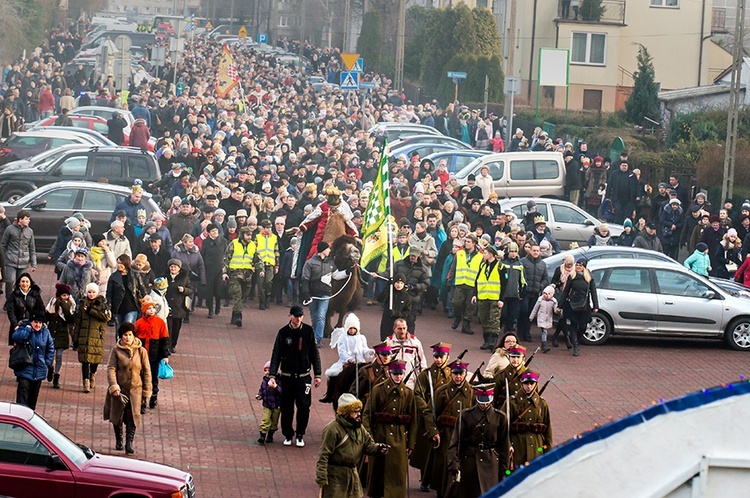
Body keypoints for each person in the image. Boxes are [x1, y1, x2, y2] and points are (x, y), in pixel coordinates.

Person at [268, 305, 322, 448]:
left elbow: (314, 354)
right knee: (286, 407)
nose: (298, 319)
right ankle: (288, 434)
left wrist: (317, 374)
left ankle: (300, 434)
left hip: (304, 378)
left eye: (300, 316)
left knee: (304, 406)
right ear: (290, 316)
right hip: (287, 377)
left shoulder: (308, 331)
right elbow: (276, 355)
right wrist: (272, 375)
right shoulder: (283, 333)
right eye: (295, 316)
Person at [362, 360, 418, 498]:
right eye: (395, 373)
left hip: (399, 438)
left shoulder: (407, 393)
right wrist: (369, 438)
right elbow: (366, 416)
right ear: (389, 373)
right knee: (378, 473)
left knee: (397, 473)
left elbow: (413, 420)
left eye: (400, 373)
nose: (398, 377)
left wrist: (410, 443)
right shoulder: (378, 390)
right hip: (380, 435)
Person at [316, 393, 389, 497]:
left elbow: (368, 445)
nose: (359, 414)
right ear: (345, 413)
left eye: (359, 411)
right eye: (355, 412)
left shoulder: (359, 428)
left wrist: (378, 448)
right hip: (335, 477)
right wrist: (321, 478)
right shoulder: (332, 430)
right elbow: (323, 455)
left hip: (352, 475)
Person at [445, 382, 511, 498]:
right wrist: (454, 465)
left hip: (491, 463)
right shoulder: (465, 416)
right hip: (469, 462)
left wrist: (504, 471)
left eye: (487, 401)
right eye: (481, 401)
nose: (484, 404)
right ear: (476, 398)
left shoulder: (500, 417)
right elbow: (455, 443)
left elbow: (504, 446)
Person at [422, 358, 474, 497]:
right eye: (455, 373)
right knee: (443, 466)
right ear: (451, 373)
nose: (458, 376)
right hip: (445, 434)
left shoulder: (472, 393)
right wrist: (433, 431)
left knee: (461, 465)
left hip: (464, 435)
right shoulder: (442, 391)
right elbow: (428, 412)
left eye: (461, 373)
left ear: (465, 374)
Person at [104, 322, 152, 454]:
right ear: (121, 336)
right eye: (125, 335)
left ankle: (129, 443)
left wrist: (146, 391)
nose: (127, 337)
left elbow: (147, 372)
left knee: (133, 417)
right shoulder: (116, 350)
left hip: (136, 391)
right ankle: (119, 439)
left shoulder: (141, 351)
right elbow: (111, 368)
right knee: (117, 416)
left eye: (130, 335)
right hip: (119, 391)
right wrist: (114, 386)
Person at [410, 342, 453, 489]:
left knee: (443, 450)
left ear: (448, 357)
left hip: (443, 415)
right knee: (426, 449)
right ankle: (424, 479)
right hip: (427, 417)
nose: (438, 360)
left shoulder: (451, 374)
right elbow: (417, 393)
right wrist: (426, 409)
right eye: (436, 356)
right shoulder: (425, 374)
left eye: (441, 356)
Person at [321, 313, 372, 404]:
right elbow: (342, 351)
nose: (352, 331)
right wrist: (349, 359)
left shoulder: (361, 338)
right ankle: (330, 394)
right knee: (332, 374)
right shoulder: (342, 338)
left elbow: (364, 349)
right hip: (346, 362)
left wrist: (369, 352)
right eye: (350, 328)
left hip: (360, 362)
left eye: (354, 328)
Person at [72, 283, 111, 393]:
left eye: (93, 292)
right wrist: (75, 338)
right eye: (89, 292)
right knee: (85, 360)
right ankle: (86, 382)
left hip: (97, 337)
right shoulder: (82, 304)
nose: (91, 294)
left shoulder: (102, 304)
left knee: (95, 360)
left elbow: (106, 317)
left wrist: (91, 311)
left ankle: (92, 374)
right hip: (84, 336)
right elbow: (78, 322)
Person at [508, 371, 553, 468]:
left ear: (536, 384)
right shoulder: (512, 403)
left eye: (531, 383)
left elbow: (547, 429)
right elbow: (504, 427)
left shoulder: (542, 404)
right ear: (521, 383)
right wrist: (508, 445)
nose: (529, 386)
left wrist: (548, 450)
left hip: (536, 448)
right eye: (526, 383)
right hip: (517, 446)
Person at [11, 311, 54, 410]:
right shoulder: (24, 329)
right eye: (35, 322)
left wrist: (47, 362)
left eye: (40, 322)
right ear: (31, 321)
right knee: (22, 399)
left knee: (32, 401)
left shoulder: (46, 333)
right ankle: (20, 418)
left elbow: (50, 347)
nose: (38, 325)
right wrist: (27, 330)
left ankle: (28, 421)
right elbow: (16, 337)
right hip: (25, 369)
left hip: (39, 371)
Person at [134, 301, 170, 412]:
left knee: (153, 377)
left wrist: (165, 355)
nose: (151, 310)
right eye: (148, 308)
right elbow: (134, 340)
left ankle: (154, 393)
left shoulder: (160, 323)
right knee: (141, 378)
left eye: (152, 308)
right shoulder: (139, 323)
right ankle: (142, 401)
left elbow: (164, 340)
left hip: (155, 356)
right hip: (141, 356)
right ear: (144, 310)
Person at [558, 258, 599, 357]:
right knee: (573, 325)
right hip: (572, 303)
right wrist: (560, 305)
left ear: (584, 267)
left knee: (583, 326)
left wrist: (596, 305)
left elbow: (593, 292)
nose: (578, 267)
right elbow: (566, 291)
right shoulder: (572, 276)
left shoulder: (589, 278)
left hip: (584, 304)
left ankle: (576, 339)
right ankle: (575, 345)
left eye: (580, 265)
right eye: (577, 265)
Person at [300, 241, 334, 348]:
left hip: (325, 294)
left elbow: (337, 275)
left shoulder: (331, 263)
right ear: (323, 250)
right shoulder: (309, 263)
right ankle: (314, 335)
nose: (330, 250)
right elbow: (305, 279)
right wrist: (306, 293)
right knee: (314, 317)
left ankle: (318, 339)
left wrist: (348, 271)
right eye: (328, 248)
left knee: (320, 316)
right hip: (312, 294)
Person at [472, 244, 504, 350]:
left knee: (494, 320)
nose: (483, 255)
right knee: (484, 319)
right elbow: (477, 281)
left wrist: (501, 299)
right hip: (483, 297)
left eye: (485, 253)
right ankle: (486, 340)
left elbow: (504, 284)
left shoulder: (500, 267)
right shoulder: (482, 266)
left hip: (495, 298)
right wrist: (475, 295)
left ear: (490, 254)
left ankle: (493, 342)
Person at [224, 226, 257, 326]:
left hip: (247, 274)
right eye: (247, 235)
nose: (249, 237)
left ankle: (234, 314)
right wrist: (224, 272)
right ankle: (238, 317)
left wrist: (260, 269)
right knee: (237, 294)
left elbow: (257, 259)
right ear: (242, 235)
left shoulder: (253, 245)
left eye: (250, 235)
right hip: (235, 273)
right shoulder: (233, 244)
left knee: (243, 295)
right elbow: (226, 258)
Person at [107, 254, 147, 338]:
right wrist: (108, 307)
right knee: (119, 330)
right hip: (118, 307)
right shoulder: (113, 277)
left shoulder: (135, 275)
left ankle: (128, 347)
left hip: (132, 306)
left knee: (128, 328)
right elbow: (109, 293)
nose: (119, 265)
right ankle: (119, 348)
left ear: (126, 263)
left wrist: (146, 299)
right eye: (118, 263)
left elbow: (142, 288)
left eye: (121, 263)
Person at [45, 283, 76, 389]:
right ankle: (50, 368)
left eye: (67, 295)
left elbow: (70, 319)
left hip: (62, 333)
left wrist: (65, 306)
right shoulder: (53, 302)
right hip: (52, 332)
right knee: (49, 355)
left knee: (59, 355)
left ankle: (56, 377)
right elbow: (47, 316)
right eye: (63, 295)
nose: (65, 297)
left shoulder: (71, 304)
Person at [1, 209, 37, 299]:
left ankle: (16, 301)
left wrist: (34, 264)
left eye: (29, 219)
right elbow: (3, 245)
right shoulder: (9, 229)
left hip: (24, 262)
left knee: (20, 283)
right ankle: (9, 300)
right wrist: (3, 259)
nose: (28, 221)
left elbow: (32, 248)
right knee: (10, 281)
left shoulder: (30, 231)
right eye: (26, 219)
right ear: (20, 219)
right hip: (10, 261)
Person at [451, 234, 482, 335]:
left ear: (474, 243)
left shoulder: (480, 256)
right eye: (465, 242)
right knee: (456, 303)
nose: (466, 244)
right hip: (460, 282)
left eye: (469, 242)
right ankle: (457, 317)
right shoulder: (459, 253)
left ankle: (466, 325)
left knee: (471, 306)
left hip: (472, 284)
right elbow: (454, 267)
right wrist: (450, 279)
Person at [518, 242, 549, 343]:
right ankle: (519, 332)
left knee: (531, 314)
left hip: (535, 293)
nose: (536, 252)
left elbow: (545, 279)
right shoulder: (523, 262)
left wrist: (540, 286)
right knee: (523, 311)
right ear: (530, 251)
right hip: (525, 292)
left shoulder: (543, 264)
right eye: (534, 250)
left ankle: (527, 333)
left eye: (537, 251)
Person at [387, 318, 428, 389]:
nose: (402, 331)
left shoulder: (415, 342)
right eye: (399, 329)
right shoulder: (388, 343)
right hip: (393, 381)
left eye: (404, 328)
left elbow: (422, 362)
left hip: (410, 382)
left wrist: (421, 379)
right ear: (394, 328)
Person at [6, 272, 45, 346]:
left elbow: (40, 309)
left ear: (30, 283)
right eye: (23, 281)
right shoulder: (13, 295)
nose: (25, 284)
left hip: (31, 325)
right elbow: (10, 311)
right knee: (17, 349)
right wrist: (15, 325)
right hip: (17, 326)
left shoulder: (35, 295)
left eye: (27, 281)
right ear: (19, 283)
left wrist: (37, 323)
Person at [164, 259, 192, 353]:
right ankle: (167, 345)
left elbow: (191, 290)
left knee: (176, 328)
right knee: (168, 327)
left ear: (179, 268)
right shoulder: (165, 277)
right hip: (167, 306)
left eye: (175, 267)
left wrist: (184, 290)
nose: (173, 268)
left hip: (179, 307)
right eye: (171, 267)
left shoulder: (185, 278)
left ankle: (173, 345)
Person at [200, 223, 228, 319]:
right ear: (208, 233)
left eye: (216, 230)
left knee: (218, 290)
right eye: (212, 231)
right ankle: (210, 310)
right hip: (209, 270)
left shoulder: (223, 241)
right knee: (209, 291)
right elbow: (202, 255)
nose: (215, 232)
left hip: (219, 269)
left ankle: (218, 305)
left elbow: (226, 255)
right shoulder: (205, 242)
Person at [499, 242, 526, 335]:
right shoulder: (502, 263)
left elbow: (522, 280)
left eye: (515, 251)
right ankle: (500, 329)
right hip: (504, 294)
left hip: (515, 295)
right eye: (511, 251)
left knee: (512, 315)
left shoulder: (520, 265)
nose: (513, 253)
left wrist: (522, 292)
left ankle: (508, 332)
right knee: (503, 314)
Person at [379, 273, 413, 342]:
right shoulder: (390, 293)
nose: (399, 285)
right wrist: (387, 287)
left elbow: (407, 312)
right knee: (385, 342)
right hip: (387, 322)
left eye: (401, 283)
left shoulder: (407, 297)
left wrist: (396, 314)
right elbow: (380, 299)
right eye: (397, 282)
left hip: (399, 324)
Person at [256, 360, 282, 445]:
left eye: (269, 370)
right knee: (265, 419)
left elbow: (282, 392)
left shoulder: (278, 381)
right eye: (265, 370)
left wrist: (275, 387)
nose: (267, 372)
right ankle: (262, 435)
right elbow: (262, 390)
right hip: (267, 404)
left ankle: (271, 433)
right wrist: (260, 395)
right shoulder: (264, 382)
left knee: (274, 421)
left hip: (276, 405)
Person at [255, 219, 279, 310]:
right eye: (267, 228)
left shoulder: (274, 237)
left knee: (268, 282)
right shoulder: (257, 237)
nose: (269, 229)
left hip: (270, 263)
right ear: (263, 228)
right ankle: (262, 301)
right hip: (260, 263)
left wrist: (277, 265)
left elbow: (276, 252)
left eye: (270, 227)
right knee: (260, 284)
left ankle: (267, 297)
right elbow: (255, 250)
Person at [529, 285, 558, 353]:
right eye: (544, 293)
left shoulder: (553, 301)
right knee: (544, 331)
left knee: (544, 332)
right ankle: (544, 345)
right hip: (541, 318)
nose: (544, 295)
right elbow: (535, 309)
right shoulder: (540, 300)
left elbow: (555, 310)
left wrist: (557, 310)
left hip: (548, 318)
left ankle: (543, 344)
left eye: (546, 294)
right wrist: (531, 317)